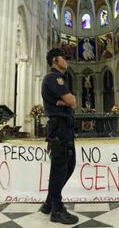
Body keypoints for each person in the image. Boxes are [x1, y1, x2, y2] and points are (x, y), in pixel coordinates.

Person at [39, 48, 79, 225]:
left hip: (64, 129)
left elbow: (72, 102)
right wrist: (66, 102)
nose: (67, 60)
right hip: (60, 129)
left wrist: (65, 101)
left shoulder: (56, 79)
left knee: (67, 165)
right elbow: (72, 102)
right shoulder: (54, 78)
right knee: (60, 167)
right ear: (55, 60)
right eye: (64, 58)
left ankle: (49, 202)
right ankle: (56, 209)